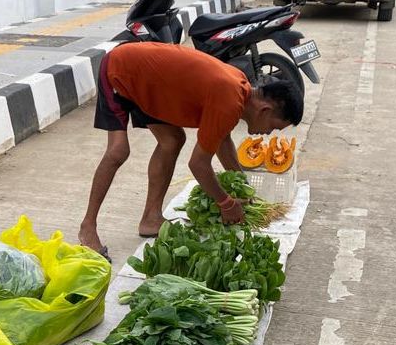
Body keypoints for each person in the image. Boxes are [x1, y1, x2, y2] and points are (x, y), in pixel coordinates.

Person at [78, 42, 304, 259]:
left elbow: (222, 141)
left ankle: (151, 218)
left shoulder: (240, 89)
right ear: (265, 109)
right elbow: (198, 164)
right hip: (122, 71)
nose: (268, 133)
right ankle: (88, 227)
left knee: (172, 140)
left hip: (153, 84)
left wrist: (242, 188)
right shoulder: (230, 98)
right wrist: (225, 203)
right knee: (119, 151)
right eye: (273, 127)